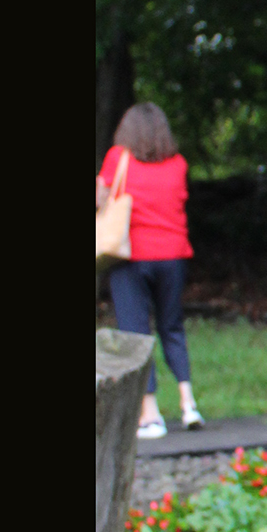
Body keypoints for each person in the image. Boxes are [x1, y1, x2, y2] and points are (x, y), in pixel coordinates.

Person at [97, 103, 204, 438]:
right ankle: (188, 404)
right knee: (172, 327)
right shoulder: (178, 163)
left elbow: (102, 197)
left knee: (136, 334)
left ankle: (150, 413)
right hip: (173, 255)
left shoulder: (118, 158)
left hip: (131, 256)